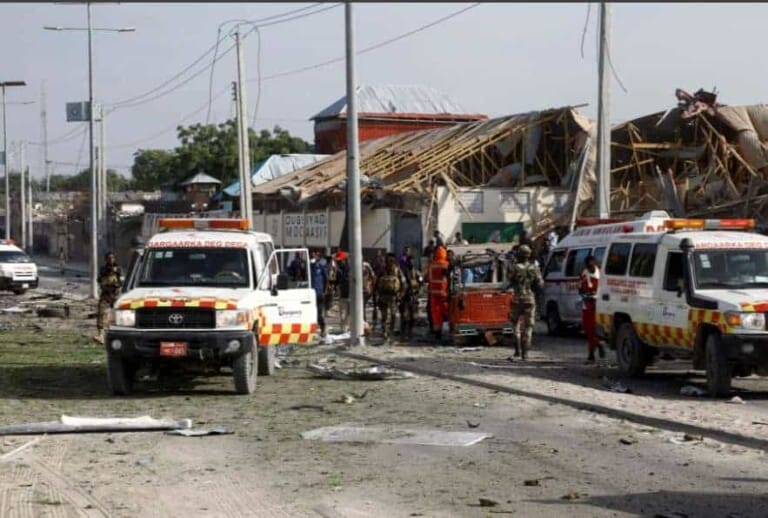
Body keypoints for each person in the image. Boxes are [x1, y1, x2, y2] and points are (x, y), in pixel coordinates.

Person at [507, 244, 543, 361]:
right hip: (530, 299)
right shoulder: (534, 268)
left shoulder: (514, 267)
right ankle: (525, 354)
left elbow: (509, 281)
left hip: (517, 299)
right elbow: (540, 284)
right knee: (528, 328)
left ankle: (517, 351)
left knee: (515, 326)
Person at [579, 255, 604, 363]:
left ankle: (591, 355)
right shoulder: (584, 274)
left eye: (592, 263)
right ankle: (598, 345)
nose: (590, 266)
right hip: (587, 305)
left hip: (598, 305)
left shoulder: (601, 274)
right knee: (588, 330)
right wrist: (585, 296)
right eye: (588, 264)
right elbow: (580, 290)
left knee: (594, 330)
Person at [376, 253, 404, 345]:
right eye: (388, 260)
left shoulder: (397, 271)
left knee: (393, 315)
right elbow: (376, 283)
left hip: (394, 297)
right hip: (383, 296)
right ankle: (384, 333)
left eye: (391, 260)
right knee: (384, 316)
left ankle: (391, 332)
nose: (390, 262)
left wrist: (400, 294)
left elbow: (403, 283)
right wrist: (376, 295)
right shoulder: (382, 270)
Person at [95, 251, 123, 344]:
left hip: (115, 294)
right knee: (101, 313)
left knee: (117, 315)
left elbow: (121, 281)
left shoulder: (118, 269)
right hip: (106, 294)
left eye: (112, 258)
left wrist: (116, 273)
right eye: (108, 258)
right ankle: (101, 335)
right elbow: (100, 280)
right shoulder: (103, 269)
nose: (110, 260)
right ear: (106, 259)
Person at [428, 243, 450, 340]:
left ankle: (438, 333)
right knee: (447, 310)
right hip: (444, 293)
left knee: (436, 313)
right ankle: (451, 328)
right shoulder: (446, 264)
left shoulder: (431, 265)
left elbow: (426, 277)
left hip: (433, 294)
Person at [399, 256, 422, 341]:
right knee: (404, 317)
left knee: (413, 317)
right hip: (405, 297)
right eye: (410, 261)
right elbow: (401, 283)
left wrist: (417, 286)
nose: (411, 263)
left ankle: (410, 333)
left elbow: (420, 281)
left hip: (413, 297)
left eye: (412, 261)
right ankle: (403, 334)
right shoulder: (403, 272)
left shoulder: (416, 272)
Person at [310, 250, 328, 337]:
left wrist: (325, 290)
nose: (314, 257)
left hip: (319, 292)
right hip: (311, 293)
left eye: (316, 255)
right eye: (313, 255)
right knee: (312, 312)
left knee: (319, 313)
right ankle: (314, 328)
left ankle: (323, 327)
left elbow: (326, 279)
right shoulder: (310, 267)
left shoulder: (321, 266)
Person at [334, 250, 351, 333]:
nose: (339, 262)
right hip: (343, 296)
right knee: (343, 315)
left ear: (344, 260)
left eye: (340, 261)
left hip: (352, 296)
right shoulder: (338, 271)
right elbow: (336, 282)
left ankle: (353, 330)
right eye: (338, 261)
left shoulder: (351, 269)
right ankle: (344, 331)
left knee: (353, 315)